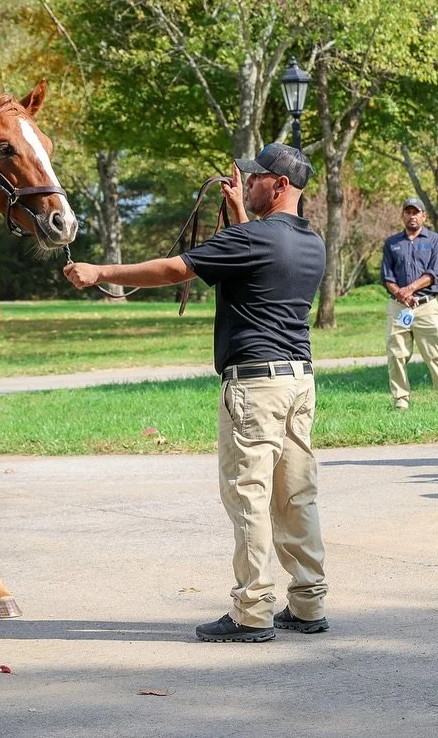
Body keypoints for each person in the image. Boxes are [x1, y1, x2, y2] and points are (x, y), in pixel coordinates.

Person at [64, 143, 330, 642]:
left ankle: (252, 611)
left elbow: (176, 269)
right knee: (296, 495)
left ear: (279, 186)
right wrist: (235, 212)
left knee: (249, 498)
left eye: (255, 179)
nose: (247, 183)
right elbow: (253, 255)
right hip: (299, 381)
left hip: (254, 385)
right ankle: (309, 603)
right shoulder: (309, 241)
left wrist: (101, 273)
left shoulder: (254, 240)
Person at [381, 197, 438, 409]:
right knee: (396, 355)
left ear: (424, 216)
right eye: (408, 212)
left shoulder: (435, 241)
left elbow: (434, 274)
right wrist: (401, 295)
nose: (412, 216)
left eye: (416, 212)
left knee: (435, 355)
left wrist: (410, 290)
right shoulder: (392, 244)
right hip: (399, 307)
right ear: (402, 215)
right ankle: (400, 401)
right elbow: (387, 278)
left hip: (426, 306)